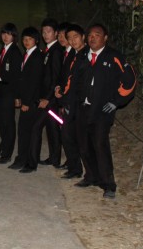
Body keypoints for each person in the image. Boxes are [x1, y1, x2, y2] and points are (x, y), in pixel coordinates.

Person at [72, 23, 136, 199]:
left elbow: (130, 80)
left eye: (97, 35)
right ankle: (91, 176)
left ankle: (109, 184)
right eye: (90, 35)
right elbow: (73, 79)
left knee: (100, 145)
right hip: (83, 108)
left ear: (105, 38)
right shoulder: (82, 55)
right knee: (84, 144)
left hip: (101, 111)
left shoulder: (114, 57)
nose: (92, 38)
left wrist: (116, 101)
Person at [29, 18, 64, 170]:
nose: (45, 35)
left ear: (56, 33)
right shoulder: (48, 50)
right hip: (48, 98)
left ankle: (32, 162)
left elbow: (55, 78)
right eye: (43, 32)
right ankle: (54, 159)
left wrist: (47, 99)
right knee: (52, 127)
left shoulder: (56, 51)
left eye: (48, 32)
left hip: (50, 100)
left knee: (36, 127)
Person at [9, 27, 44, 173]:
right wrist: (18, 97)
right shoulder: (27, 54)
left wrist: (27, 102)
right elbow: (21, 79)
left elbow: (34, 82)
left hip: (32, 102)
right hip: (25, 99)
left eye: (30, 39)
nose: (26, 41)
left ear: (36, 40)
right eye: (24, 39)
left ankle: (31, 162)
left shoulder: (37, 57)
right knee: (23, 131)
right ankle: (22, 158)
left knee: (30, 133)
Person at [56, 23, 87, 181]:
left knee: (79, 138)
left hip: (80, 103)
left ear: (83, 37)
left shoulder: (87, 55)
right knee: (67, 135)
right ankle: (74, 168)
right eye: (70, 38)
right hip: (69, 102)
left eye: (76, 37)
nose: (73, 40)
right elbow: (65, 77)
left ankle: (84, 171)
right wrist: (60, 91)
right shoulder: (72, 54)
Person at [0, 23, 22, 164]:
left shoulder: (15, 52)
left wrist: (17, 96)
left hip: (10, 91)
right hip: (1, 89)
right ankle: (3, 147)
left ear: (14, 36)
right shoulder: (4, 49)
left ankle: (7, 153)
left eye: (9, 34)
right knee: (1, 121)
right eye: (4, 33)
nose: (5, 36)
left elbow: (17, 77)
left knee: (8, 122)